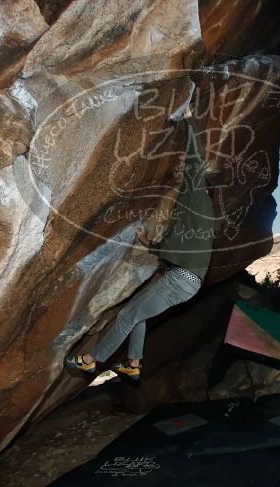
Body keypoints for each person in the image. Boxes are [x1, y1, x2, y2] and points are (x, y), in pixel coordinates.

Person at [65, 111, 215, 381]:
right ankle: (133, 363)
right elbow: (179, 246)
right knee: (138, 314)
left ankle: (91, 361)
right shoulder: (198, 217)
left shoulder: (197, 197)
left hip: (180, 280)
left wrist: (190, 119)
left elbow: (196, 160)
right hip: (185, 281)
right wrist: (150, 243)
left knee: (125, 317)